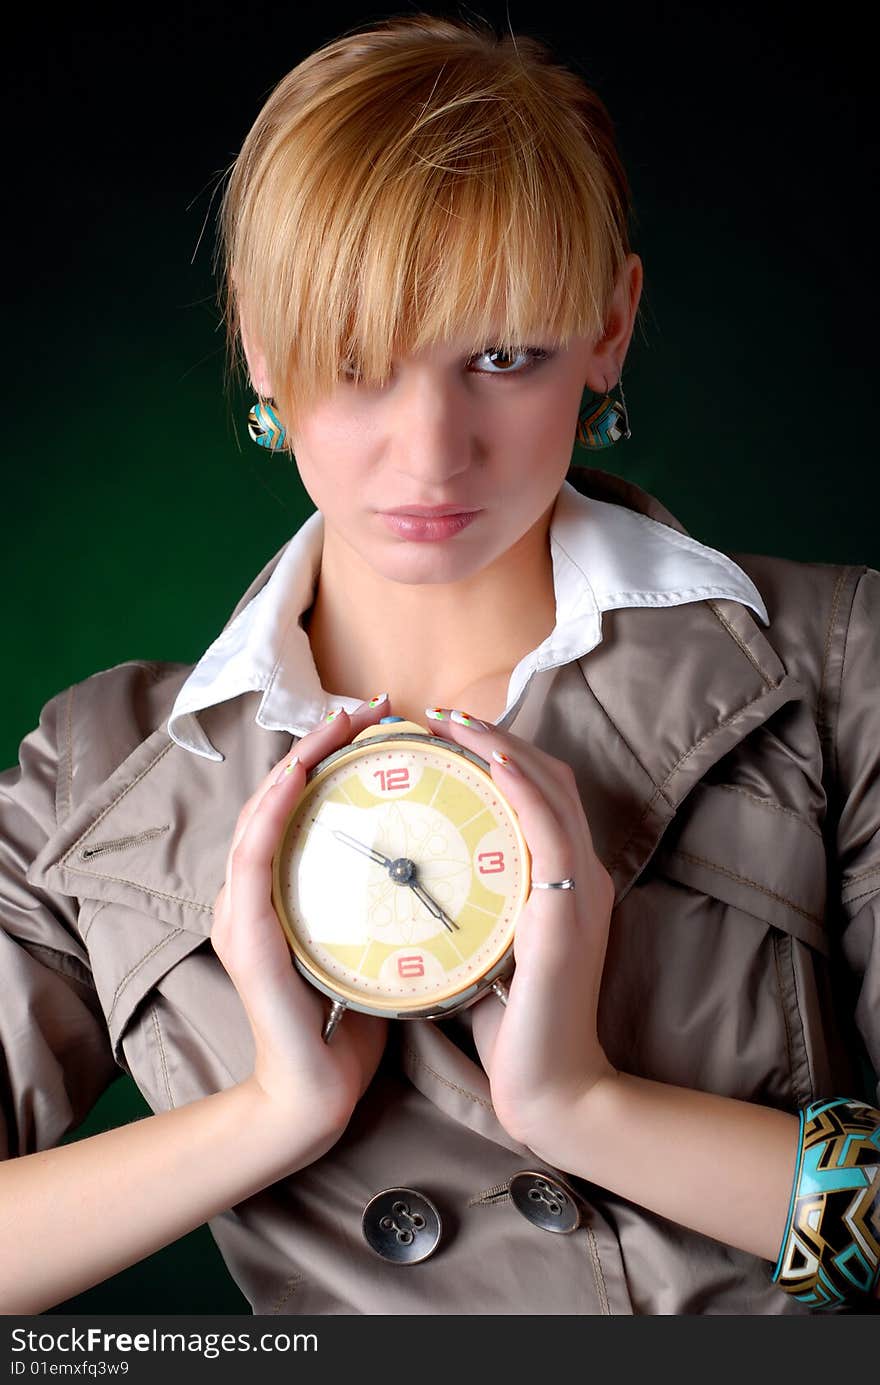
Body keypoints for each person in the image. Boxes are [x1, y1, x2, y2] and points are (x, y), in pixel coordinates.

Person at [1, 11, 878, 1317]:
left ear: (610, 328)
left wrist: (587, 1105)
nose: (431, 454)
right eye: (357, 362)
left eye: (502, 358)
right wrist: (268, 1114)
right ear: (257, 340)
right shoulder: (100, 771)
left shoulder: (831, 664)